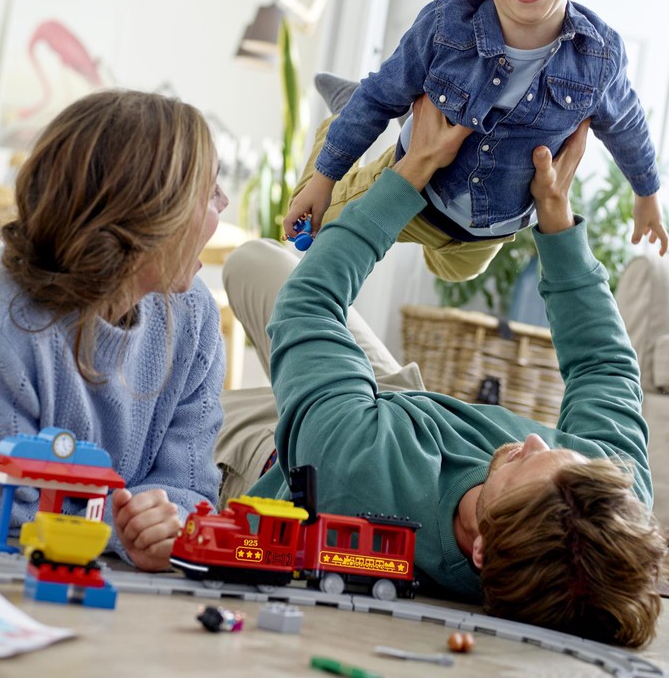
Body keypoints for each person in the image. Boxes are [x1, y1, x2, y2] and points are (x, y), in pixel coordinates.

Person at [217, 95, 666, 647]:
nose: (530, 439)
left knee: (243, 284)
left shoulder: (358, 471)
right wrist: (555, 217)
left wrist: (410, 175)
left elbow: (308, 304)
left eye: (520, 464)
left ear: (480, 551)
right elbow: (604, 368)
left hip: (293, 459)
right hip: (395, 411)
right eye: (552, 450)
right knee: (260, 262)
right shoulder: (606, 498)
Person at [283, 0, 667, 283]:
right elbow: (379, 98)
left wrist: (647, 195)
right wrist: (324, 181)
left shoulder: (598, 57)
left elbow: (627, 125)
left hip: (488, 233)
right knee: (327, 232)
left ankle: (390, 111)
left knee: (451, 274)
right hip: (410, 190)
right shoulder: (447, 26)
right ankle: (337, 124)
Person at [0, 89, 229, 572]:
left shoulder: (193, 314)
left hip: (93, 561)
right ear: (150, 213)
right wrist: (121, 532)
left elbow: (190, 486)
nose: (223, 205)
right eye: (210, 193)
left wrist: (158, 521)